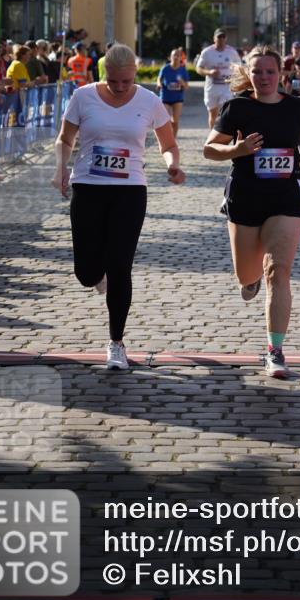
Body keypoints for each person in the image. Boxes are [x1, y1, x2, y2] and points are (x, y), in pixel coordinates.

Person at [52, 43, 186, 370]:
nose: (121, 88)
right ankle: (96, 275)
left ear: (135, 75)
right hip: (88, 187)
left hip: (129, 191)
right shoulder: (83, 97)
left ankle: (116, 343)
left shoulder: (149, 101)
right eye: (114, 82)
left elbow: (168, 144)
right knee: (85, 272)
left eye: (127, 82)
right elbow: (65, 139)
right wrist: (60, 167)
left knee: (120, 266)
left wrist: (172, 165)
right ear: (105, 74)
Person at [203, 45, 300, 380]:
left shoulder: (296, 107)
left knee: (279, 270)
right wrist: (238, 149)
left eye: (270, 72)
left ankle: (275, 351)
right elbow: (209, 148)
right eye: (257, 71)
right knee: (247, 275)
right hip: (246, 197)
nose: (263, 77)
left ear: (281, 74)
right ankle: (251, 279)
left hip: (286, 196)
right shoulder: (237, 108)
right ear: (249, 73)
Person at [195, 29, 241, 129]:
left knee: (224, 112)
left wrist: (235, 77)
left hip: (226, 87)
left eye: (223, 37)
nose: (221, 39)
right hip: (212, 87)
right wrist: (209, 72)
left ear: (226, 38)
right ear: (214, 38)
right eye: (219, 37)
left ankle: (222, 133)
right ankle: (213, 135)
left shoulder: (232, 52)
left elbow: (239, 67)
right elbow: (198, 68)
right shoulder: (207, 52)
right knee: (213, 113)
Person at [157, 48, 190, 135]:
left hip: (177, 98)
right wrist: (159, 84)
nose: (176, 57)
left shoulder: (183, 70)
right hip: (165, 97)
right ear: (170, 57)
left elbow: (186, 87)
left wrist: (182, 82)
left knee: (175, 121)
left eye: (178, 55)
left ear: (180, 58)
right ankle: (166, 137)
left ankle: (173, 140)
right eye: (174, 55)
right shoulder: (165, 68)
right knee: (165, 119)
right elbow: (159, 79)